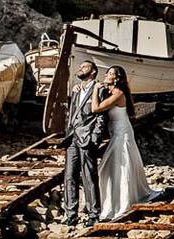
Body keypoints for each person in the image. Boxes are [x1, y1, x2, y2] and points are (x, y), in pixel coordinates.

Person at [91, 66, 157, 220]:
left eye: (111, 73)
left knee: (120, 165)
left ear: (117, 78)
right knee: (110, 167)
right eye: (107, 72)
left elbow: (96, 108)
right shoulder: (109, 92)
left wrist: (94, 90)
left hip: (122, 133)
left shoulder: (118, 93)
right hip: (116, 132)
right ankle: (110, 201)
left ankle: (122, 202)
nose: (107, 75)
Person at [62, 60, 108, 227]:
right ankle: (70, 213)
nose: (80, 68)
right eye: (81, 66)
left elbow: (101, 116)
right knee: (69, 176)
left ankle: (93, 214)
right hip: (72, 138)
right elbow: (73, 113)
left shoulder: (99, 89)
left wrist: (95, 138)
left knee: (89, 176)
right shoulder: (76, 90)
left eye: (85, 66)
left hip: (87, 138)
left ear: (93, 72)